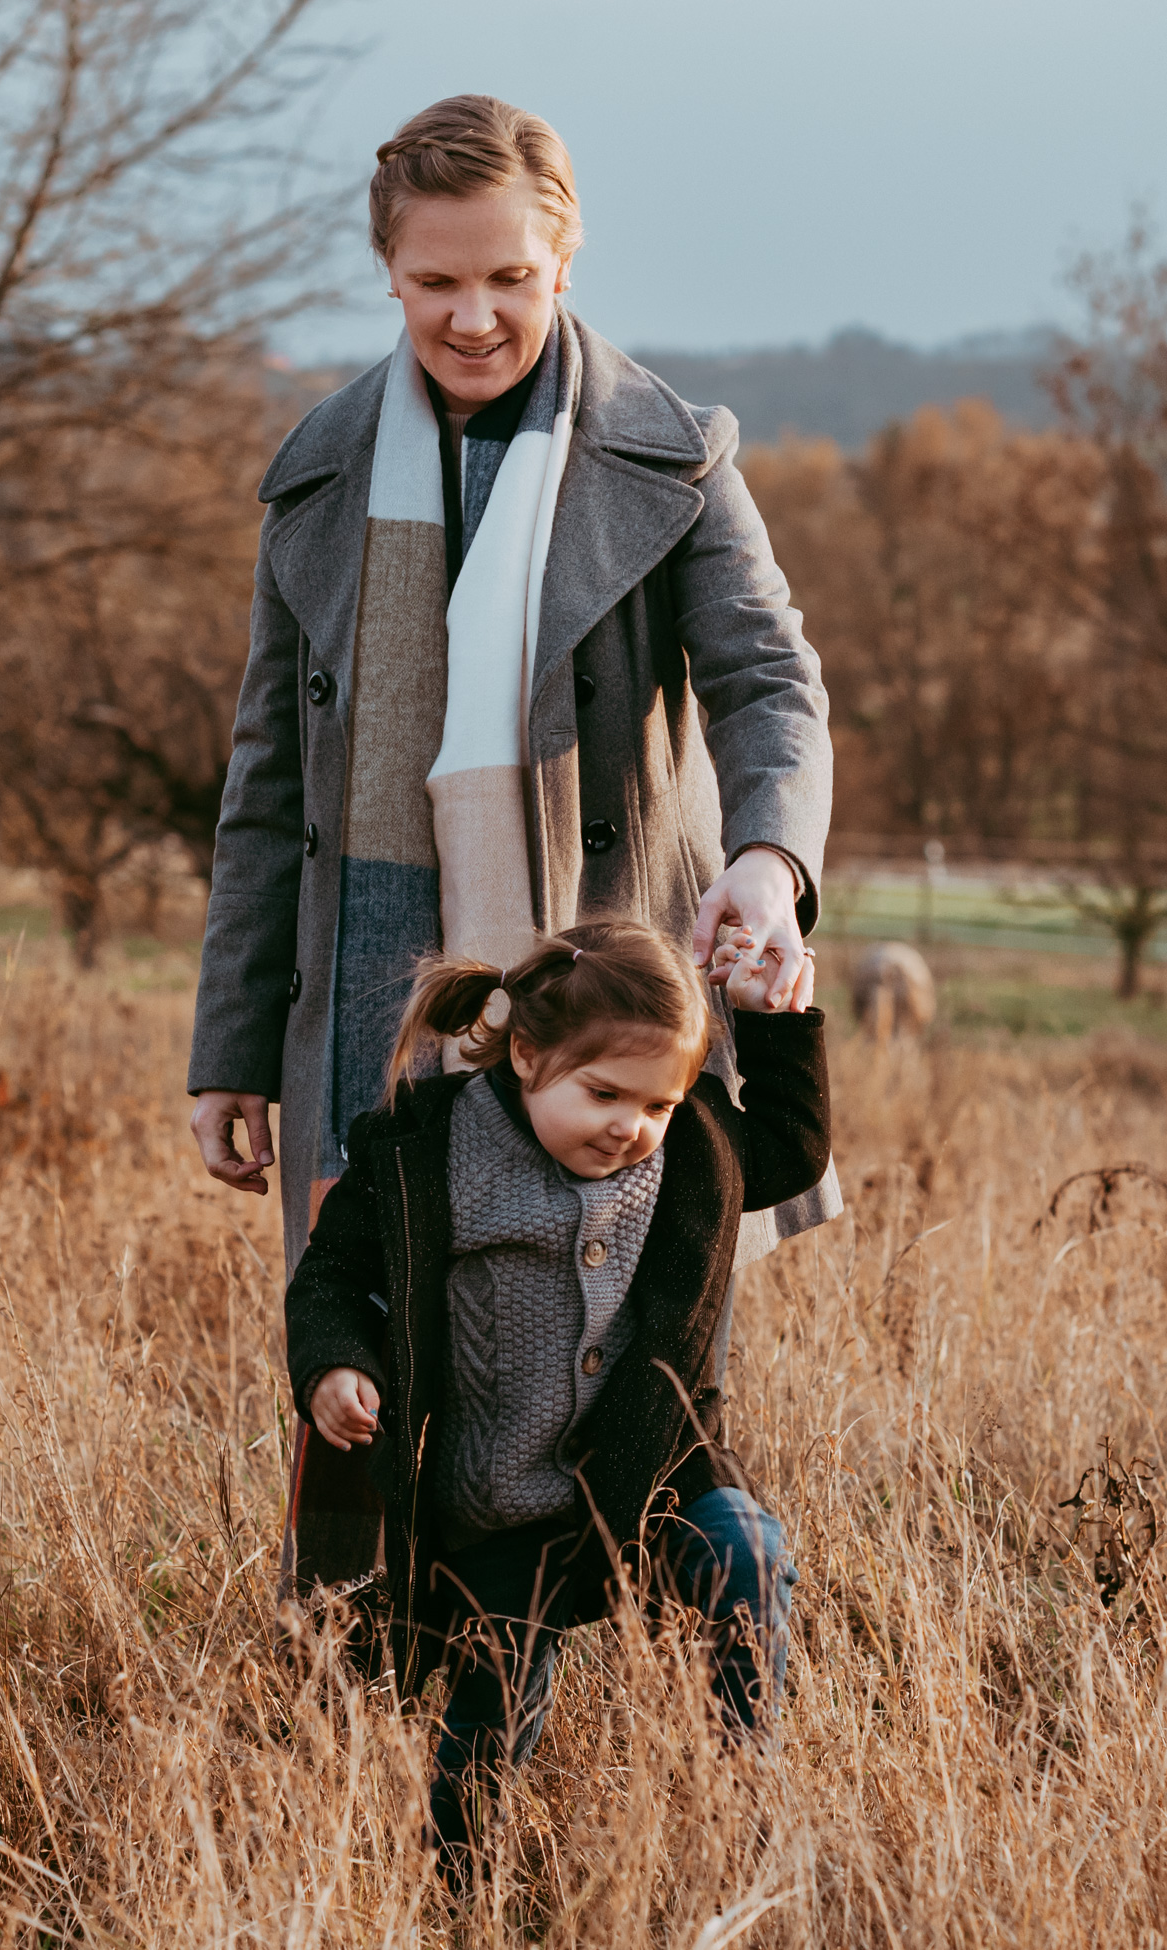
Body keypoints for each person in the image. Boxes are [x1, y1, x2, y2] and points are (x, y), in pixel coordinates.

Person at [186, 95, 839, 1592]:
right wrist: (229, 1039)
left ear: (566, 257)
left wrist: (766, 861)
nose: (473, 315)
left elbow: (766, 679)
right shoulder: (316, 474)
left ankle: (623, 1617)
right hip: (369, 978)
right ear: (388, 270)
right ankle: (369, 1655)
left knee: (623, 1316)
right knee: (376, 1326)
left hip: (599, 971)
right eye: (435, 282)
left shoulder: (670, 458)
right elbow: (267, 781)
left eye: (510, 278)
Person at [286, 921, 830, 1891]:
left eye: (657, 1101)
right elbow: (330, 1274)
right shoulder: (426, 1144)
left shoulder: (694, 1144)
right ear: (529, 1055)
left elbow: (788, 1150)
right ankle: (456, 1883)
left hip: (657, 1468)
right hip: (504, 1501)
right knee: (485, 1728)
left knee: (746, 1552)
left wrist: (775, 1023)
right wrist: (334, 1366)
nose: (632, 1125)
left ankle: (740, 1788)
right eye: (605, 1094)